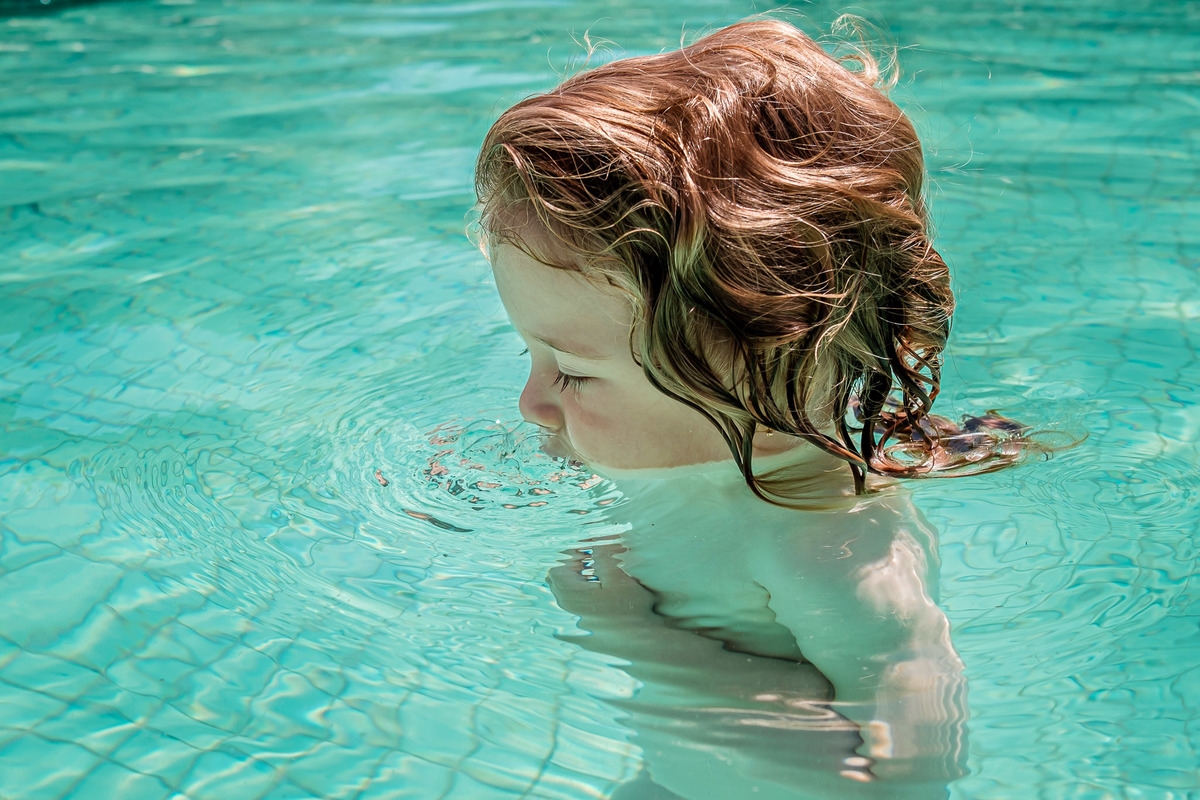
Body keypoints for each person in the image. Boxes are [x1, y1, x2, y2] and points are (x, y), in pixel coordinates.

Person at [473, 17, 1038, 797]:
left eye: (571, 373)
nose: (531, 404)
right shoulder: (709, 460)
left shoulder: (829, 555)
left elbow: (907, 777)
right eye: (531, 358)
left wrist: (636, 637)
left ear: (752, 383)